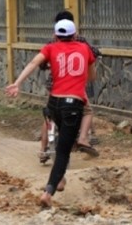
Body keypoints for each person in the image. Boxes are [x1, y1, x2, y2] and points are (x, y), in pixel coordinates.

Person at [5, 19, 97, 208]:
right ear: (75, 34)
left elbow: (33, 63)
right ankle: (49, 192)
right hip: (73, 105)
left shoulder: (50, 48)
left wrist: (17, 83)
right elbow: (92, 76)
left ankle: (59, 177)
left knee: (63, 144)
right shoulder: (85, 49)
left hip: (54, 103)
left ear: (55, 35)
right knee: (63, 151)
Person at [38, 10, 101, 162]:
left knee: (50, 115)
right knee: (87, 110)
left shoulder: (53, 40)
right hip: (75, 85)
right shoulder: (80, 40)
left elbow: (41, 63)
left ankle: (42, 150)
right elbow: (94, 53)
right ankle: (84, 138)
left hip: (54, 85)